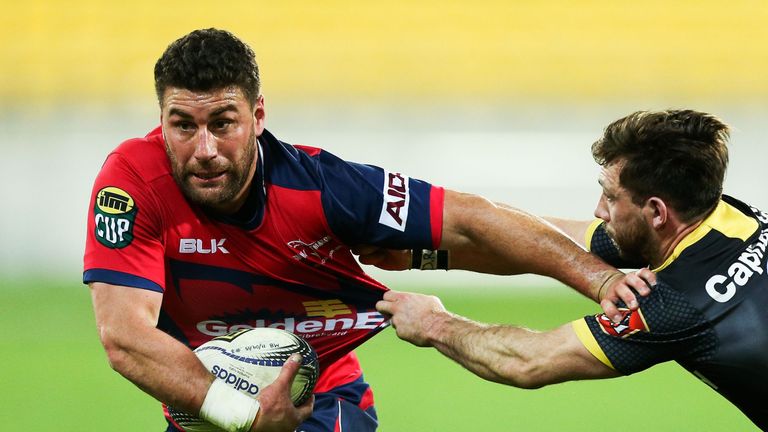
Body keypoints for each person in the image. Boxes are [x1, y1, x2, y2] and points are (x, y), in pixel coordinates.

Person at [83, 28, 648, 432]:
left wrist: (598, 281)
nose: (203, 150)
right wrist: (244, 415)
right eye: (182, 126)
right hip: (211, 412)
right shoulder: (131, 181)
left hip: (320, 403)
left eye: (223, 124)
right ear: (161, 122)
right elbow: (125, 338)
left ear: (258, 116)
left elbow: (473, 222)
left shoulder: (325, 188)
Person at [376, 109, 768, 429]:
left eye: (611, 197)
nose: (599, 209)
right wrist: (426, 251)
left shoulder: (676, 304)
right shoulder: (727, 213)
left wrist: (432, 323)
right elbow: (556, 242)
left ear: (656, 211)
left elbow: (527, 361)